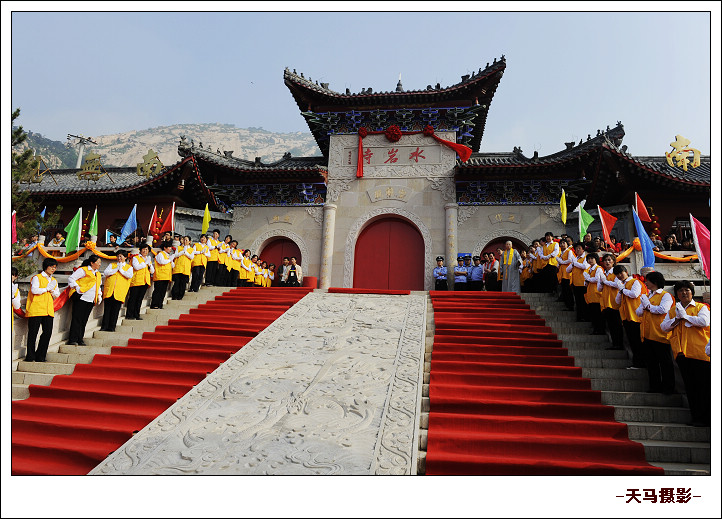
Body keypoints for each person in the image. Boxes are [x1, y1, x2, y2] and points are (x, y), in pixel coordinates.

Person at [661, 281, 710, 427]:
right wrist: (677, 318)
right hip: (682, 353)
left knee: (704, 387)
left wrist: (686, 317)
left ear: (692, 292)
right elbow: (664, 326)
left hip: (700, 352)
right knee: (690, 387)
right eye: (681, 291)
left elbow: (704, 322)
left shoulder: (701, 307)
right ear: (677, 294)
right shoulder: (673, 311)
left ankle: (707, 418)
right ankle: (696, 417)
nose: (684, 293)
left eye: (687, 290)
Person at [636, 271, 675, 394]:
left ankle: (669, 387)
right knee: (651, 363)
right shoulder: (648, 296)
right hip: (647, 334)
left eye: (648, 281)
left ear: (655, 282)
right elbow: (638, 312)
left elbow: (663, 309)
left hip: (660, 334)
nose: (646, 283)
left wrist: (648, 306)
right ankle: (655, 386)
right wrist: (644, 305)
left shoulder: (665, 295)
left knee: (665, 363)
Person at [25, 257, 60, 362]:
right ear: (46, 267)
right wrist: (46, 289)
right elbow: (34, 290)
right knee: (33, 333)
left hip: (48, 310)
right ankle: (30, 356)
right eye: (51, 267)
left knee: (47, 333)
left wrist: (52, 291)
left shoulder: (54, 280)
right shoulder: (37, 277)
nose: (53, 269)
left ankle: (41, 356)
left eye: (55, 267)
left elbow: (57, 294)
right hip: (36, 308)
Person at [613, 264, 645, 369]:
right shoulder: (622, 285)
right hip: (627, 317)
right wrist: (620, 291)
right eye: (617, 274)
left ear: (626, 272)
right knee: (632, 341)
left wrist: (623, 290)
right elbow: (617, 301)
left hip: (636, 316)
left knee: (637, 341)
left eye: (621, 273)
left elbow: (635, 294)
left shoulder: (635, 282)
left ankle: (640, 363)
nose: (620, 275)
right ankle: (637, 362)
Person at [67, 254, 103, 346]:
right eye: (98, 262)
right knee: (77, 319)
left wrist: (99, 295)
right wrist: (77, 288)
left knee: (84, 320)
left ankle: (80, 338)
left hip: (91, 299)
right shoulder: (83, 270)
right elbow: (71, 278)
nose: (99, 264)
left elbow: (98, 286)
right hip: (82, 297)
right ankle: (73, 339)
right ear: (92, 263)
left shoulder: (98, 274)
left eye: (100, 262)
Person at [100, 250, 133, 332]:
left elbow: (129, 275)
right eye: (118, 256)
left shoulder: (129, 267)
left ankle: (112, 327)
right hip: (110, 290)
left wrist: (121, 270)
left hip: (119, 292)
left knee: (115, 310)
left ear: (125, 257)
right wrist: (116, 269)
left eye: (121, 256)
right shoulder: (112, 265)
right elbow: (106, 273)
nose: (119, 258)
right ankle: (104, 326)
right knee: (107, 310)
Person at [598, 253, 625, 350]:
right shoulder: (604, 273)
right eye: (605, 260)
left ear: (613, 261)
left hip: (614, 302)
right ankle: (614, 343)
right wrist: (601, 282)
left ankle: (619, 344)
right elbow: (600, 288)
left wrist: (606, 282)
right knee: (611, 325)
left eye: (609, 260)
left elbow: (618, 285)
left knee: (616, 325)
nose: (607, 262)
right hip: (606, 302)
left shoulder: (616, 272)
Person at [126, 244, 154, 319]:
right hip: (136, 281)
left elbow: (152, 271)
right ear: (140, 250)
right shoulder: (136, 258)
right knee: (133, 298)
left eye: (147, 250)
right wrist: (145, 263)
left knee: (139, 299)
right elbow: (136, 267)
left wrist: (149, 265)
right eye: (144, 249)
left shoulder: (148, 259)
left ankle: (136, 314)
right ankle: (129, 315)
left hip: (145, 281)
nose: (145, 251)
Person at [583, 252, 605, 335]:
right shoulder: (589, 269)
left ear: (596, 259)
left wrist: (588, 278)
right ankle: (596, 329)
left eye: (592, 258)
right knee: (593, 313)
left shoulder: (598, 269)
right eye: (589, 259)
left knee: (598, 313)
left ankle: (600, 329)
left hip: (597, 294)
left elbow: (596, 279)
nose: (590, 260)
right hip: (591, 294)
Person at [568, 242, 589, 322]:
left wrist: (575, 263)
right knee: (578, 301)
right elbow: (568, 270)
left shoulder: (586, 258)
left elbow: (585, 266)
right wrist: (573, 264)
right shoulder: (575, 259)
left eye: (579, 248)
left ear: (583, 250)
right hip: (575, 283)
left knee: (584, 301)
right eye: (576, 248)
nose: (577, 250)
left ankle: (586, 317)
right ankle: (579, 317)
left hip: (583, 283)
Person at [150, 240, 173, 309]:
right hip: (160, 276)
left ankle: (160, 304)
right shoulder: (160, 254)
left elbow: (172, 265)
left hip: (166, 276)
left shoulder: (168, 255)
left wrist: (171, 260)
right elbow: (161, 262)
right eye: (169, 247)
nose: (170, 248)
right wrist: (170, 260)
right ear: (165, 248)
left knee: (163, 291)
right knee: (158, 291)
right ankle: (154, 304)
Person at [557, 237, 574, 308]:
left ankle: (570, 305)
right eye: (561, 243)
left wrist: (561, 262)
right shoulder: (561, 253)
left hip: (567, 273)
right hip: (562, 273)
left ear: (567, 244)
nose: (562, 244)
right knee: (564, 289)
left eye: (564, 243)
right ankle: (567, 305)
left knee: (568, 290)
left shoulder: (569, 251)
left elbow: (570, 260)